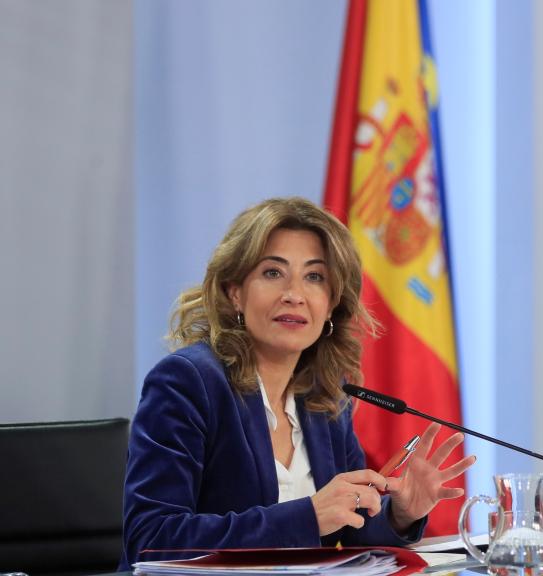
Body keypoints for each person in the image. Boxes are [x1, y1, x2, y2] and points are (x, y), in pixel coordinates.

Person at [121, 198, 474, 567]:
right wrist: (307, 517)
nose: (294, 295)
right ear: (235, 292)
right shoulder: (188, 383)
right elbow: (151, 540)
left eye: (314, 277)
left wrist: (400, 514)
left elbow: (350, 528)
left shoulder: (324, 397)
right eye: (273, 272)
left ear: (331, 304)